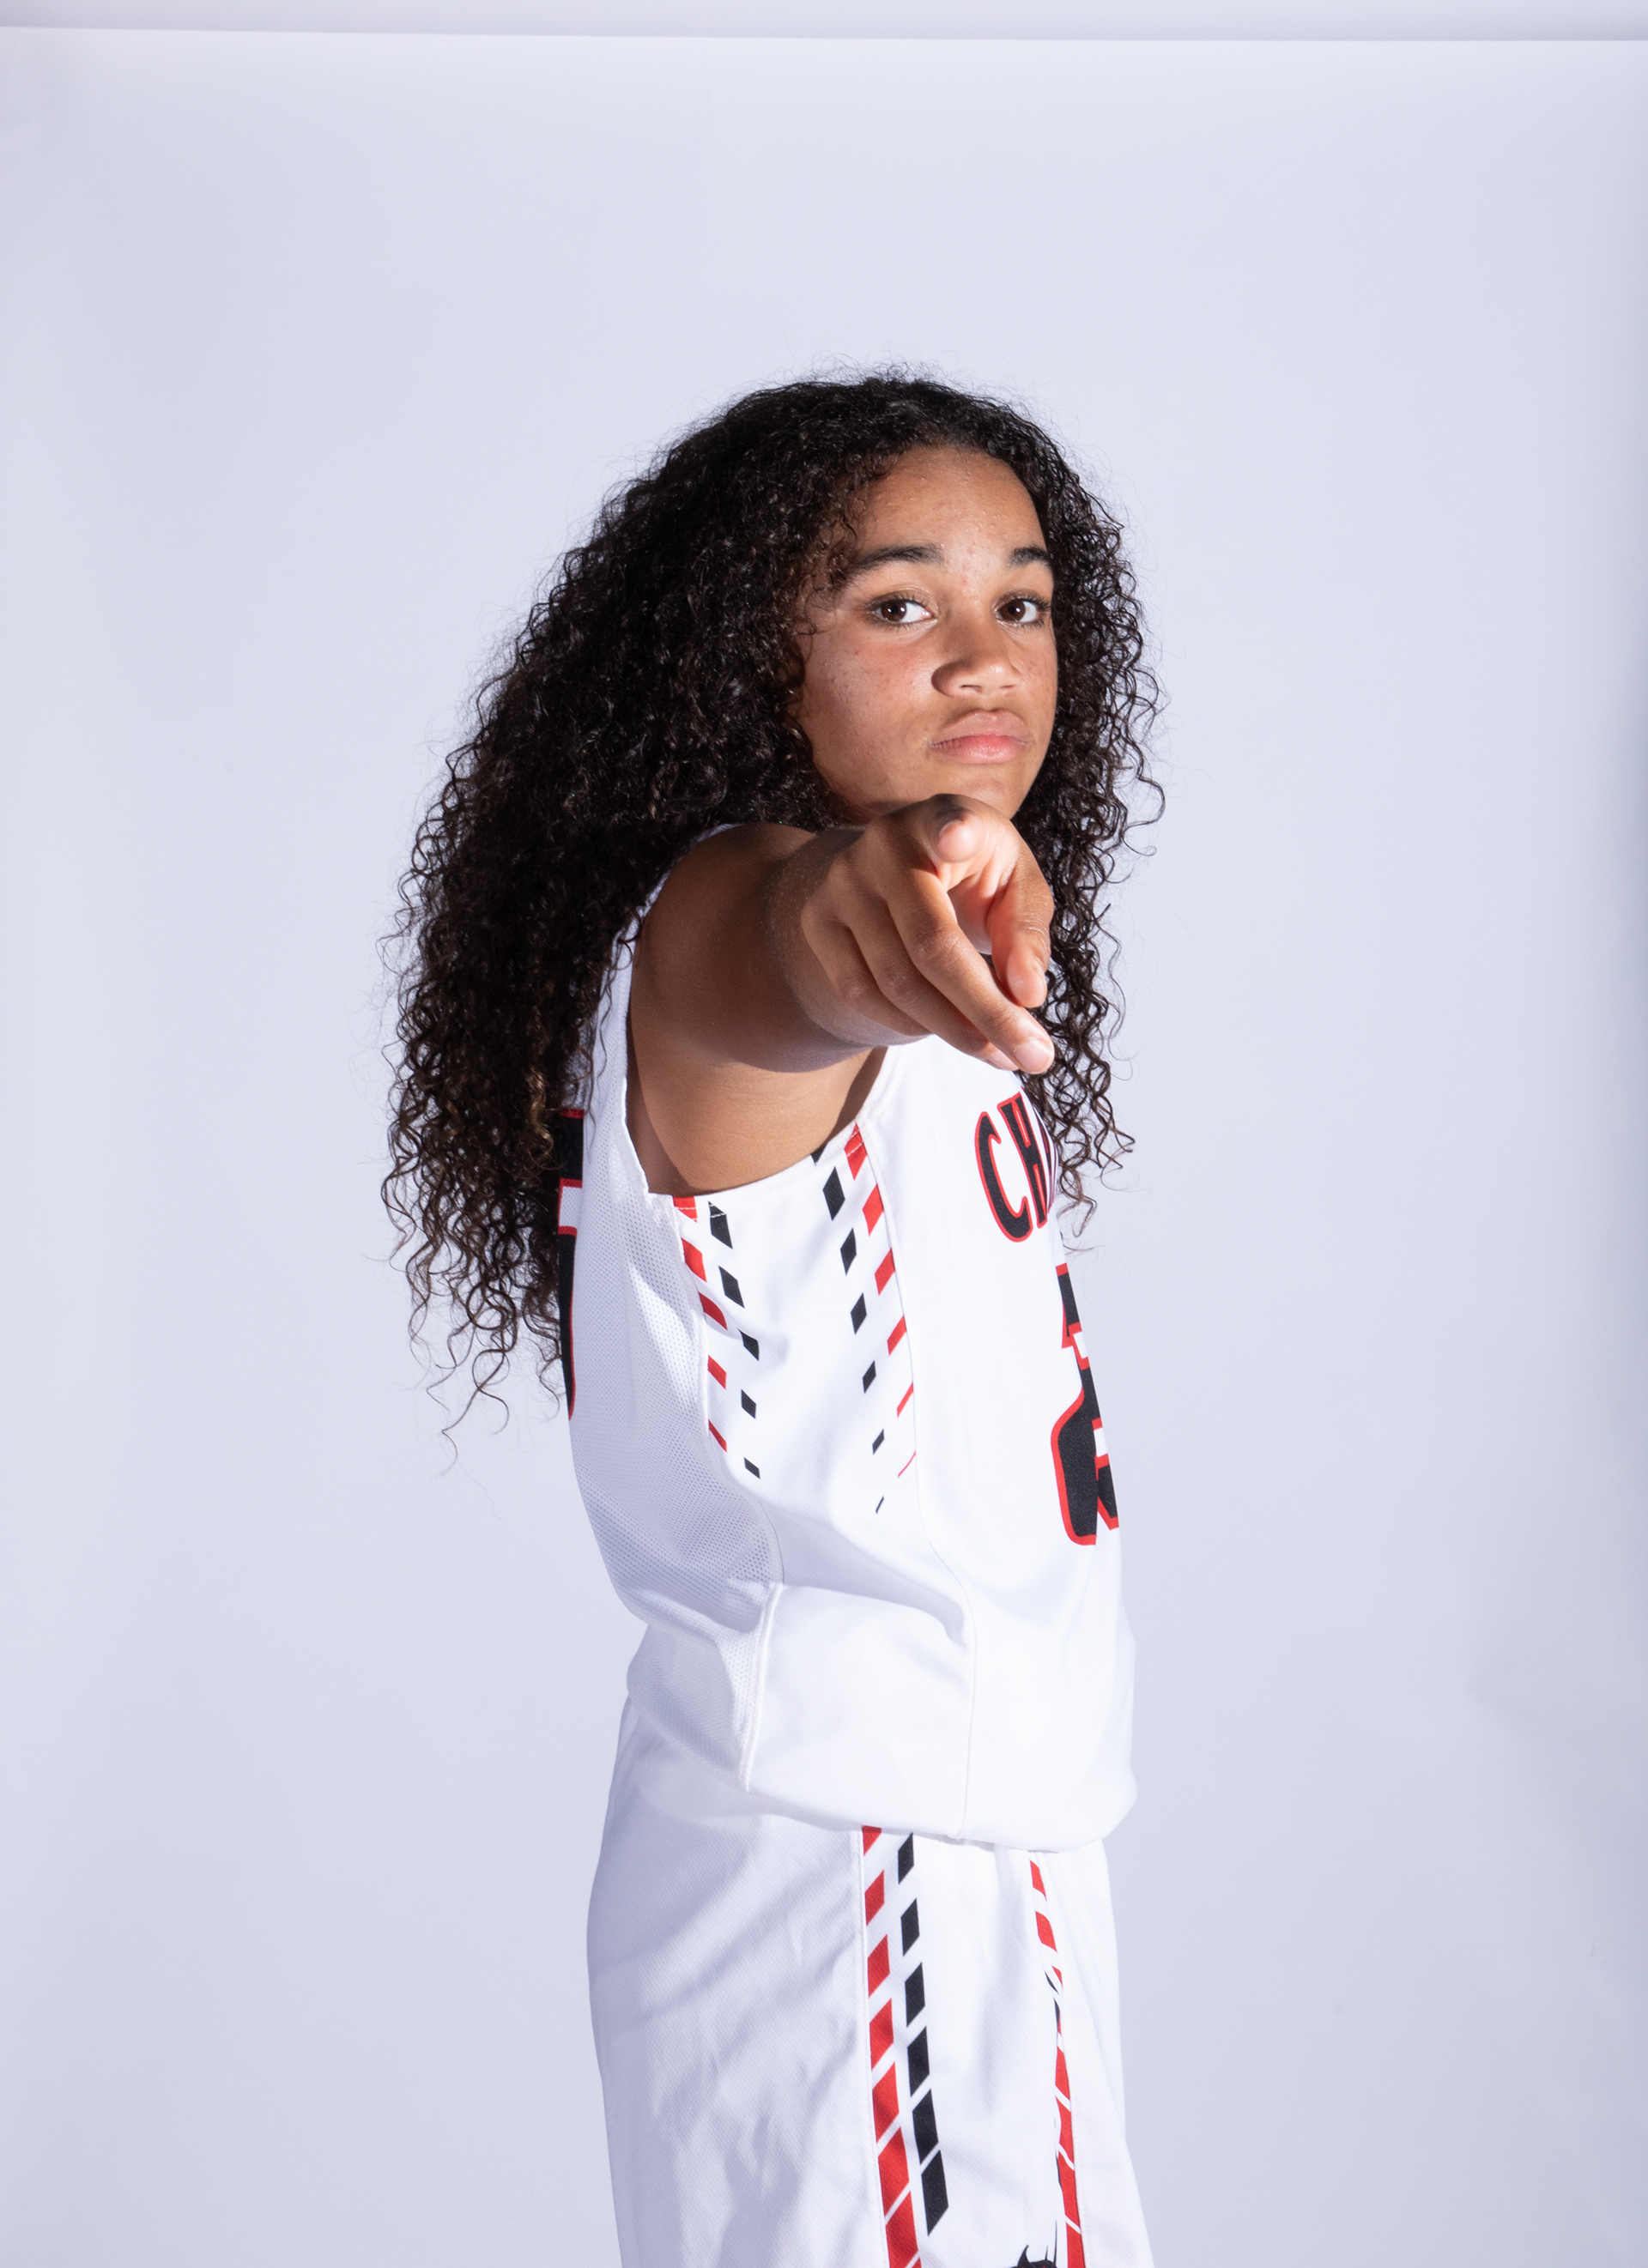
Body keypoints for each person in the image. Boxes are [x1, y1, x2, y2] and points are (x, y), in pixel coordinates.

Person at [387, 373, 1160, 2268]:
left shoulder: (937, 984)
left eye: (1022, 599)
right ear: (759, 652)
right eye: (898, 602)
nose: (984, 654)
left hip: (929, 1853)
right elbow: (794, 943)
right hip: (872, 1873)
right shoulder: (729, 922)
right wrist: (879, 898)